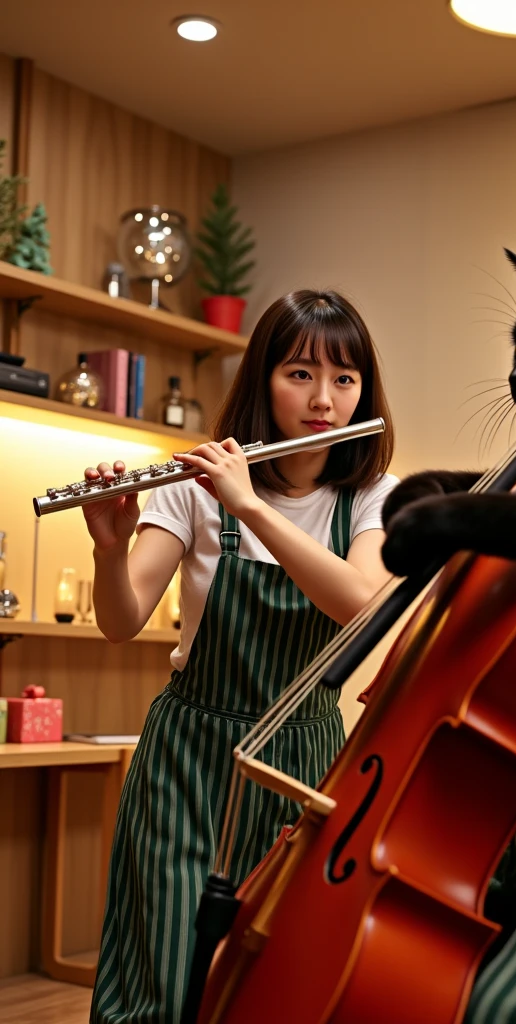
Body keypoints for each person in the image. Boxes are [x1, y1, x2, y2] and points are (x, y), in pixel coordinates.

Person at [86, 290, 397, 1023]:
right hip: (191, 757)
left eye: (344, 379)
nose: (324, 399)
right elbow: (121, 621)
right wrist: (107, 549)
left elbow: (361, 604)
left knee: (272, 980)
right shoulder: (194, 488)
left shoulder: (375, 496)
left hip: (304, 759)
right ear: (262, 378)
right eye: (299, 374)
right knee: (164, 973)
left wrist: (252, 505)